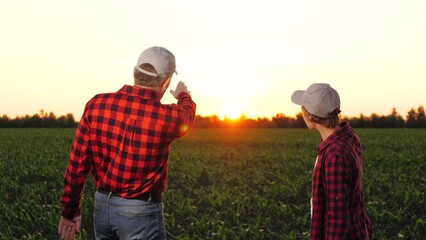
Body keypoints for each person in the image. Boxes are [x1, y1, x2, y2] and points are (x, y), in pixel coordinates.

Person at [58, 46, 196, 240]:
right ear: (166, 81)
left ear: (136, 73)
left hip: (102, 207)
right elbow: (187, 116)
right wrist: (183, 95)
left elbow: (77, 164)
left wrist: (69, 211)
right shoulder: (166, 117)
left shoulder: (96, 105)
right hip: (140, 213)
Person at [291, 83, 372, 239]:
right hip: (358, 229)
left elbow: (338, 217)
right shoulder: (347, 136)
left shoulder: (335, 155)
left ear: (310, 116)